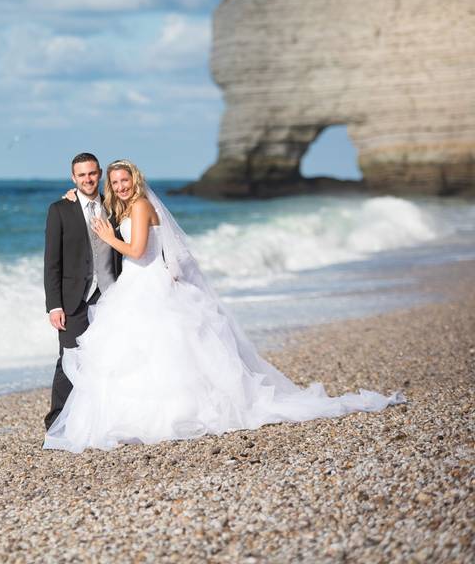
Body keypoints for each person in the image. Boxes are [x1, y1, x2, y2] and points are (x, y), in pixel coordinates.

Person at [43, 159, 405, 453]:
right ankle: (124, 417)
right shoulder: (112, 205)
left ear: (133, 180)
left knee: (164, 350)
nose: (119, 185)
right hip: (132, 286)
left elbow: (137, 251)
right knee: (139, 352)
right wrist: (74, 196)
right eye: (114, 181)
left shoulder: (139, 205)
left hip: (147, 284)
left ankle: (170, 415)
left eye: (123, 180)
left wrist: (108, 237)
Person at [42, 153, 122, 431]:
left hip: (111, 295)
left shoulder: (114, 207)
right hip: (74, 298)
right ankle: (56, 422)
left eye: (92, 174)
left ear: (99, 174)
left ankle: (103, 418)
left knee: (109, 357)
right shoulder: (60, 210)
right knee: (69, 359)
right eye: (81, 175)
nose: (87, 179)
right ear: (73, 178)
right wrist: (54, 306)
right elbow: (52, 262)